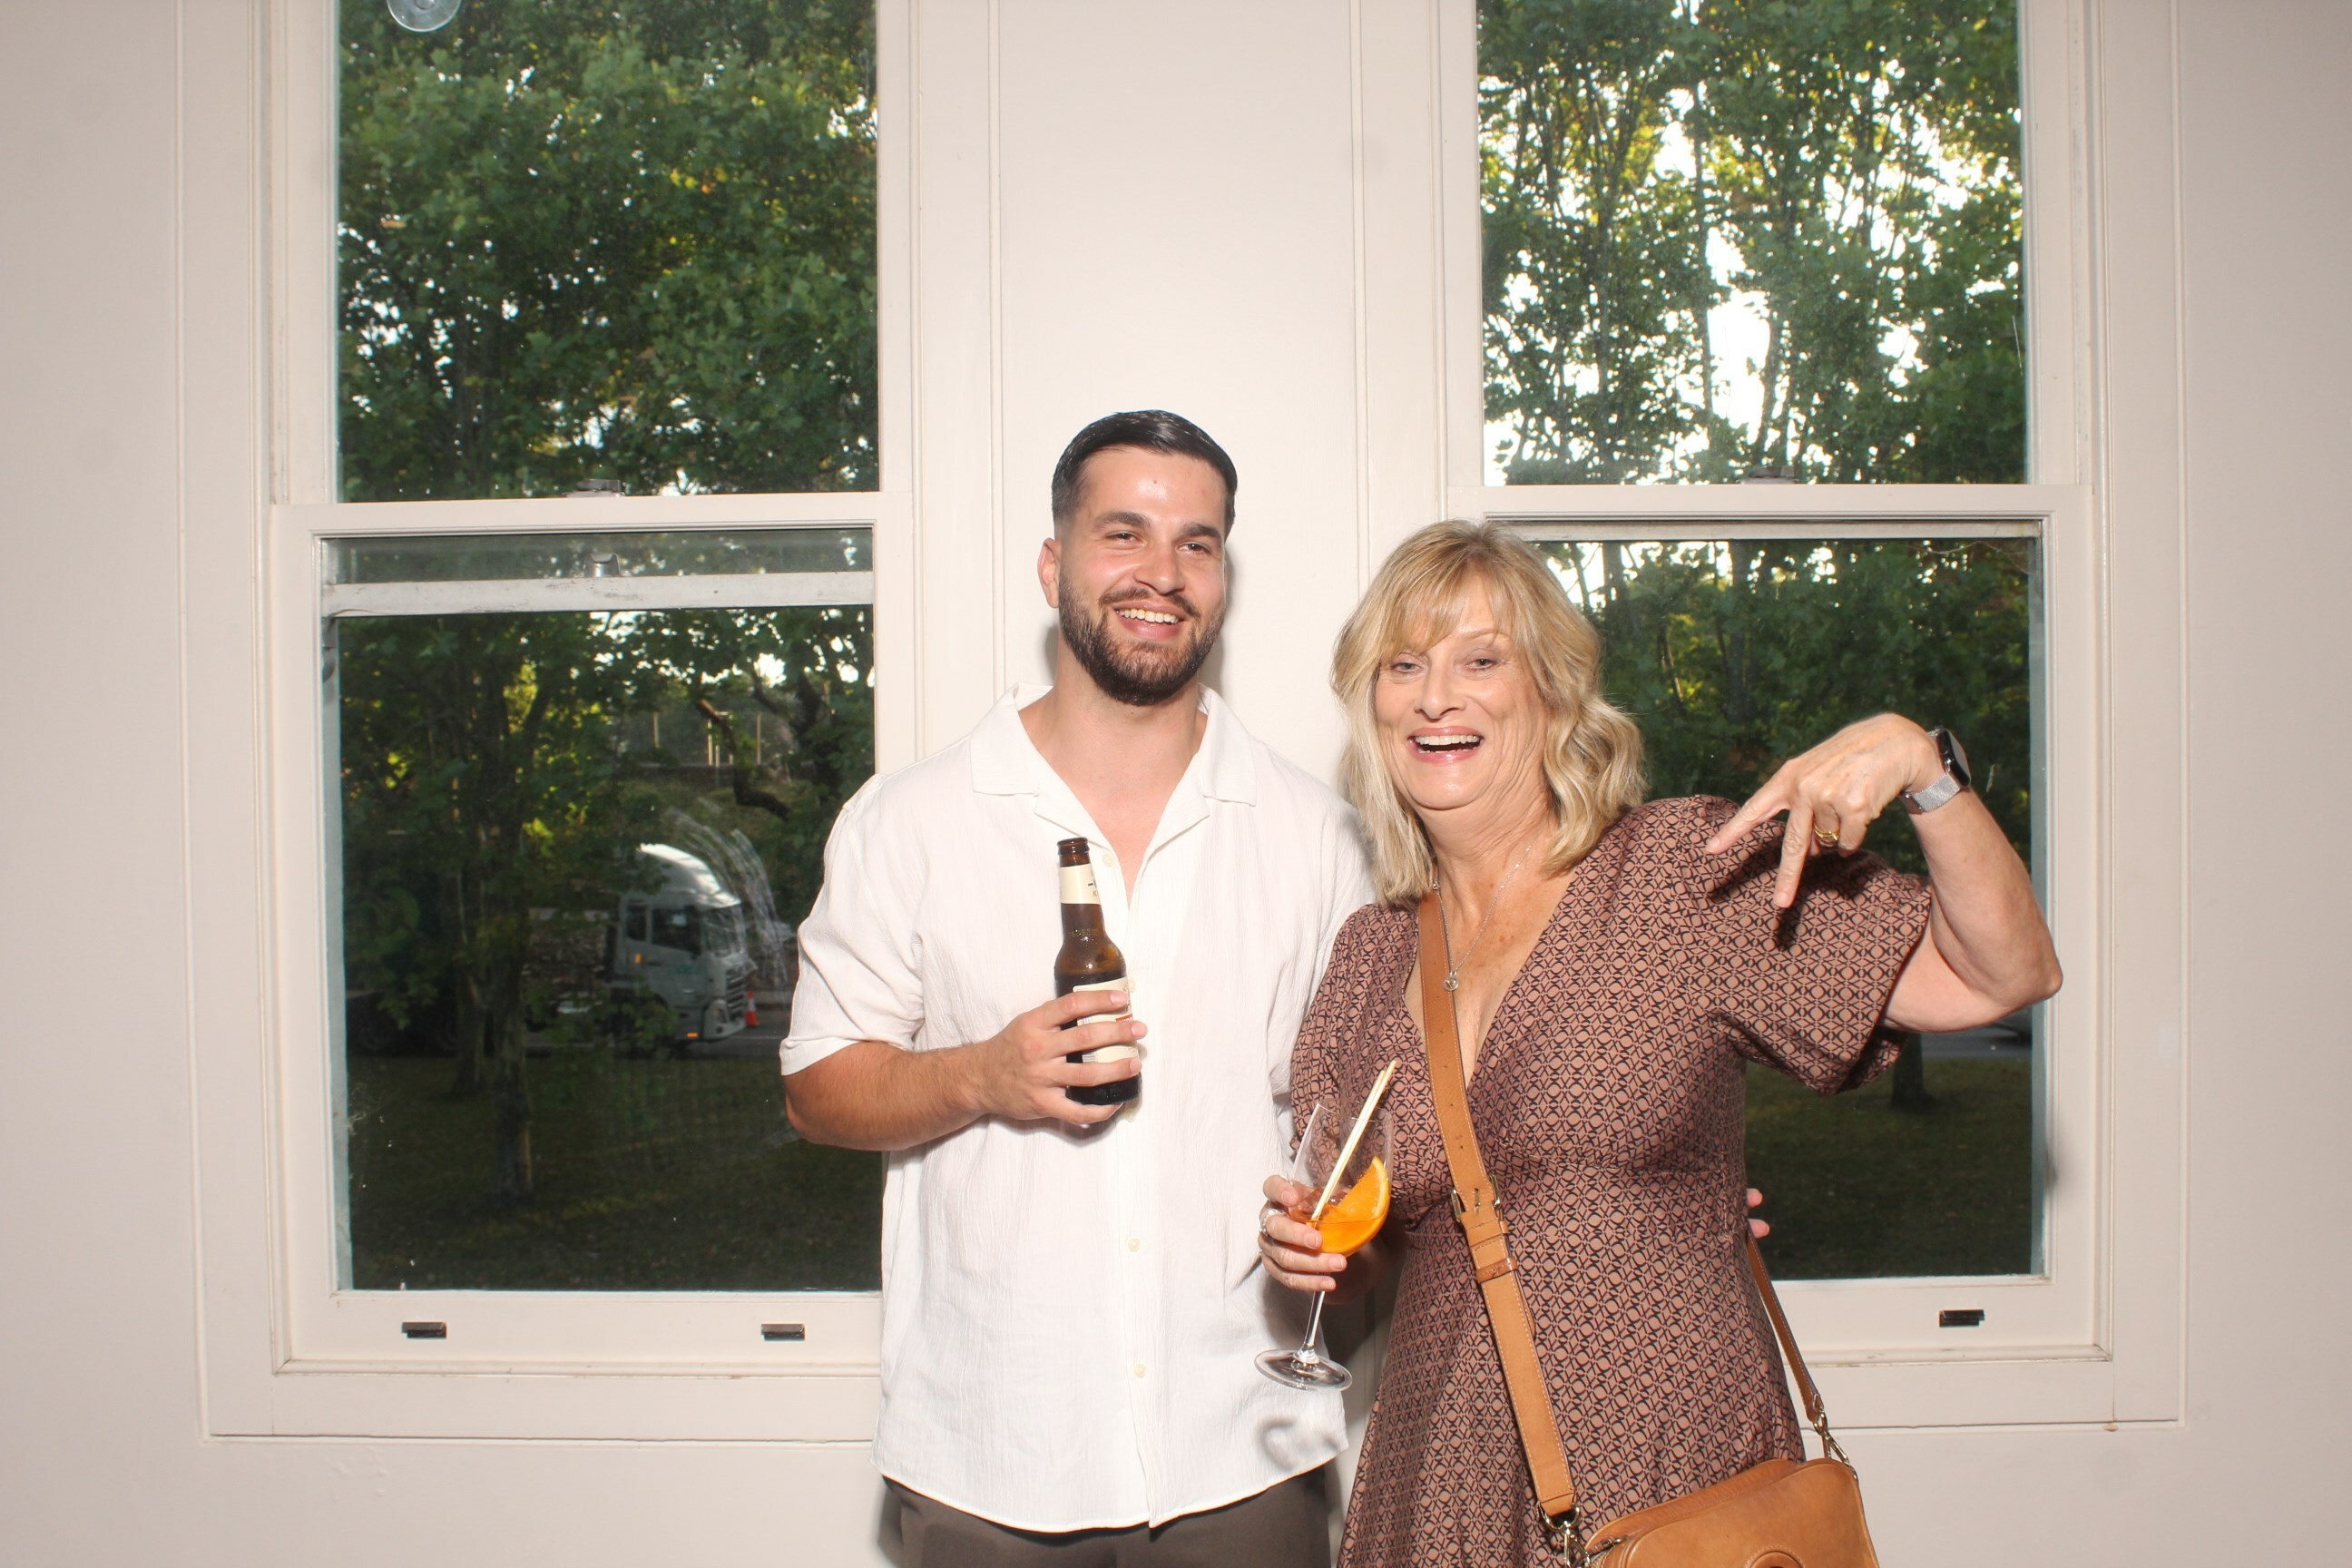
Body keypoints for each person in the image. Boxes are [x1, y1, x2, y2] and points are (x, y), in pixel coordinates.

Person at [1259, 521, 2062, 1566]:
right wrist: (1314, 1252)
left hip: (1668, 1464)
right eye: (1402, 666)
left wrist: (1927, 772)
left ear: (1552, 693)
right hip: (1443, 1482)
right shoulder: (1370, 956)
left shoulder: (1679, 874)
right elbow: (1370, 1242)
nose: (1435, 697)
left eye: (1480, 660)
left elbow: (1999, 975)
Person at [784, 411, 1373, 1565]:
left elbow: (1359, 1122)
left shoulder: (1317, 835)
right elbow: (815, 1091)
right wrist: (980, 1075)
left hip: (1243, 1447)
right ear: (1054, 566)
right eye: (1124, 533)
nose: (1163, 572)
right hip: (992, 1455)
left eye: (1198, 543)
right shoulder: (911, 821)